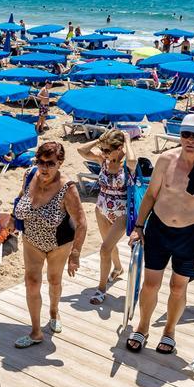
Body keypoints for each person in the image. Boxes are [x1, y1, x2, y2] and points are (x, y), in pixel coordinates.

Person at [126, 114, 194, 355]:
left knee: (178, 287)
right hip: (159, 229)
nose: (190, 140)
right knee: (150, 285)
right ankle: (142, 327)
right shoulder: (166, 159)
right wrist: (138, 227)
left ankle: (169, 331)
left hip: (191, 234)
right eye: (185, 134)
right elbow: (150, 195)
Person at [11, 142, 87, 347]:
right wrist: (12, 218)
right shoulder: (29, 175)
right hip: (31, 240)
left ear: (60, 163)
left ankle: (54, 311)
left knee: (54, 281)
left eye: (50, 163)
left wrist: (75, 254)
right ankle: (36, 332)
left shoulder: (68, 188)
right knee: (32, 283)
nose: (44, 167)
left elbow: (81, 223)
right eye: (40, 162)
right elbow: (21, 197)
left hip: (58, 244)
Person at [77, 129, 137, 305]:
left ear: (119, 148)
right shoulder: (103, 159)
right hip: (102, 208)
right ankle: (118, 268)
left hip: (122, 212)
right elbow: (81, 151)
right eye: (102, 150)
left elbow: (133, 160)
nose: (103, 153)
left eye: (107, 150)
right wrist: (100, 140)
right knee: (108, 246)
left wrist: (128, 140)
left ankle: (101, 289)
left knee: (104, 249)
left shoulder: (128, 162)